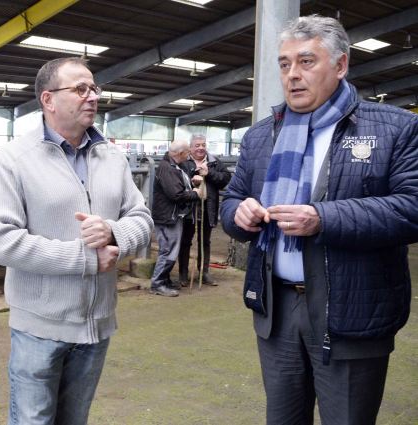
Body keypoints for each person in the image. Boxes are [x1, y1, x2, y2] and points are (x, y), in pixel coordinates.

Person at [220, 15, 418, 424]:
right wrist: (239, 214)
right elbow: (231, 200)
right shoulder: (261, 136)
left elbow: (411, 207)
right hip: (276, 311)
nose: (292, 75)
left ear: (341, 65)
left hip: (352, 309)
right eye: (284, 63)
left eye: (306, 62)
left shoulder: (396, 128)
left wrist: (322, 218)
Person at [0, 57, 153, 425]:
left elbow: (142, 219)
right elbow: (1, 241)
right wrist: (85, 258)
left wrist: (114, 233)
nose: (92, 97)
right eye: (80, 89)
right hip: (39, 328)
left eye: (94, 88)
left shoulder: (112, 158)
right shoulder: (14, 160)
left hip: (96, 325)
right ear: (48, 99)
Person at [149, 140, 202, 297]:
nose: (189, 155)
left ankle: (164, 280)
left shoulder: (174, 166)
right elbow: (175, 194)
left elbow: (178, 186)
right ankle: (157, 283)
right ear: (180, 154)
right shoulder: (168, 169)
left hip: (171, 215)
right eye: (187, 152)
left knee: (170, 249)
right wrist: (195, 194)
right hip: (167, 217)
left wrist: (191, 181)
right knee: (168, 250)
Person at [178, 134, 230, 286]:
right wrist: (193, 177)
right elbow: (177, 180)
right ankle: (183, 274)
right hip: (189, 208)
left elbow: (226, 178)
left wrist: (209, 173)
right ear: (191, 148)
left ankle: (204, 272)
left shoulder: (213, 162)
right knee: (185, 241)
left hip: (208, 207)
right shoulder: (184, 162)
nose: (201, 148)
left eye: (203, 145)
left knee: (205, 241)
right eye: (197, 145)